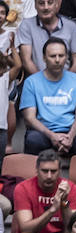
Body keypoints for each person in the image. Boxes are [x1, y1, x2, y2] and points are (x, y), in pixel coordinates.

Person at [20, 36, 76, 156]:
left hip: (71, 132)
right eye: (52, 56)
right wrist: (52, 136)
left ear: (66, 57)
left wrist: (70, 137)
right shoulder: (32, 82)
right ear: (44, 58)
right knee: (32, 140)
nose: (57, 60)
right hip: (43, 132)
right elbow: (29, 118)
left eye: (61, 56)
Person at [12, 148, 76, 233]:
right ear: (37, 170)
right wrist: (52, 210)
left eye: (53, 171)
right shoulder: (23, 188)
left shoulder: (70, 188)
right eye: (45, 171)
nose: (49, 176)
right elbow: (26, 229)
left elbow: (73, 227)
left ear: (60, 171)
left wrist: (64, 202)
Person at [17, 0, 76, 76]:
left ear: (56, 4)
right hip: (37, 80)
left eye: (50, 3)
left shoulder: (71, 26)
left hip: (66, 80)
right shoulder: (26, 26)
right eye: (41, 3)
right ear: (35, 5)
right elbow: (27, 61)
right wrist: (43, 82)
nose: (46, 7)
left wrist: (66, 82)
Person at [0, 0, 22, 163]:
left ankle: (8, 142)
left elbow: (16, 63)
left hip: (6, 76)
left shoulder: (10, 33)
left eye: (2, 13)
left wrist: (13, 47)